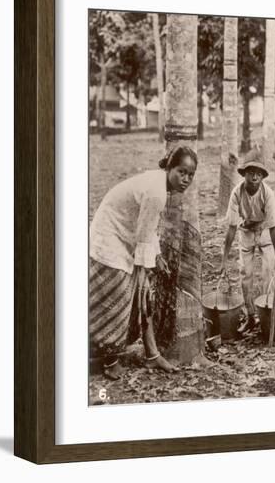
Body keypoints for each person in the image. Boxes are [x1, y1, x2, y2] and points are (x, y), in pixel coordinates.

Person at [89, 145, 198, 380]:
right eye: (181, 172)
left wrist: (155, 258)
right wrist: (148, 268)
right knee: (118, 299)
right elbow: (143, 236)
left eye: (190, 174)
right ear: (169, 167)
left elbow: (147, 232)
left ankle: (152, 354)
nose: (185, 179)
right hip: (109, 237)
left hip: (124, 236)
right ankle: (109, 359)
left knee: (143, 293)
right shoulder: (157, 193)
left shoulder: (160, 185)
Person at [220, 151, 275, 332]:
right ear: (244, 173)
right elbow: (231, 226)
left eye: (259, 173)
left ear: (262, 176)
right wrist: (224, 259)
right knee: (245, 275)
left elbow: (274, 228)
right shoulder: (237, 193)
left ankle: (266, 314)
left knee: (268, 272)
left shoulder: (267, 194)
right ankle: (251, 315)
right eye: (251, 172)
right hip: (245, 231)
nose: (254, 177)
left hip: (264, 232)